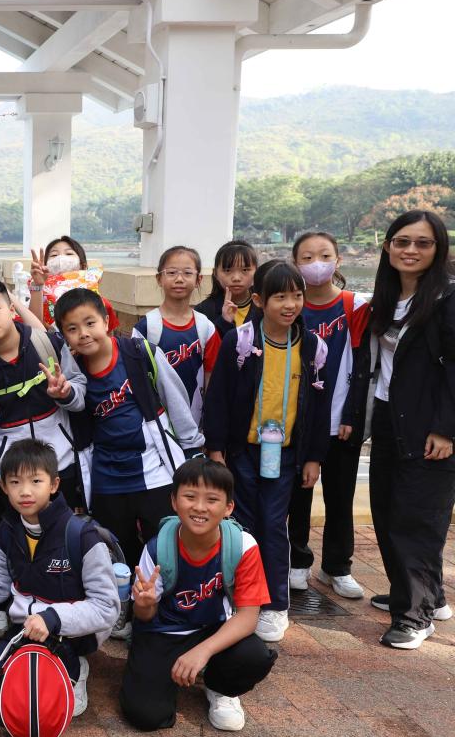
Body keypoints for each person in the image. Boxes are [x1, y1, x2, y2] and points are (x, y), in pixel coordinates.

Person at [204, 261, 329, 644]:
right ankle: (238, 600)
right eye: (280, 297)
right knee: (240, 526)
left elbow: (319, 408)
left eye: (297, 295)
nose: (290, 304)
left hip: (286, 454)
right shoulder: (241, 342)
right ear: (259, 300)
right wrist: (216, 449)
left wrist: (313, 456)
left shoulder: (312, 347)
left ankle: (274, 605)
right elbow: (218, 398)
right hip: (243, 452)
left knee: (274, 526)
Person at [0, 439, 119, 722]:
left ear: (54, 484)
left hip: (74, 633)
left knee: (47, 705)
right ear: (3, 487)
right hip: (26, 628)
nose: (25, 491)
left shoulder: (81, 536)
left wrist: (52, 618)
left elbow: (106, 607)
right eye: (15, 482)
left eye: (36, 481)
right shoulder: (5, 533)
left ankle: (77, 666)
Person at [0, 276, 86, 639]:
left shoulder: (47, 342)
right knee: (9, 532)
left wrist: (65, 393)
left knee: (62, 528)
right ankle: (0, 598)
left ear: (11, 307)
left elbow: (80, 391)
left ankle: (62, 595)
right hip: (7, 467)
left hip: (58, 459)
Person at [119, 459, 276, 733]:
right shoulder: (157, 548)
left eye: (212, 499)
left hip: (214, 629)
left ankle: (219, 687)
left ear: (228, 507)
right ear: (174, 501)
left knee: (255, 656)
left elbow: (249, 617)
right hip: (166, 632)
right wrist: (144, 605)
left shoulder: (242, 545)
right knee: (145, 715)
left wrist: (202, 652)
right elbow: (145, 616)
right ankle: (170, 674)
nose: (200, 507)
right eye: (190, 497)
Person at [54, 288, 204, 570]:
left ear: (106, 321)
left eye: (90, 323)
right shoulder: (74, 373)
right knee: (118, 554)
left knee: (164, 547)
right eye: (72, 329)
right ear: (64, 336)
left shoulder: (138, 353)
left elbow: (175, 400)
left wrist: (192, 449)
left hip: (154, 472)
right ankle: (128, 596)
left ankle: (163, 596)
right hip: (107, 478)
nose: (83, 334)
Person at [366, 209, 455, 649]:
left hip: (430, 426)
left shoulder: (447, 298)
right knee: (386, 510)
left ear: (438, 249)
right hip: (388, 418)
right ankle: (424, 594)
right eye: (402, 241)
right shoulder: (386, 297)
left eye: (423, 243)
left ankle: (414, 616)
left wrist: (446, 429)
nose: (411, 250)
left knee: (416, 520)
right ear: (388, 247)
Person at [287, 231, 371, 599]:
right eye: (306, 257)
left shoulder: (355, 306)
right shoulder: (291, 306)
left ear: (338, 260)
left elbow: (365, 363)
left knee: (340, 495)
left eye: (324, 255)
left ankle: (337, 566)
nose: (316, 264)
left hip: (341, 419)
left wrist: (353, 413)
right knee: (298, 494)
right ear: (295, 264)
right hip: (300, 420)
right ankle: (298, 560)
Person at [132, 246, 219, 427]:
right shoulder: (145, 328)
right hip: (156, 423)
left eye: (187, 273)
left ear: (198, 279)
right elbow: (135, 379)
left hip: (195, 421)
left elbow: (211, 378)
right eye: (171, 273)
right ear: (159, 279)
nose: (179, 279)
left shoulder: (206, 327)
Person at [196, 240, 261, 335]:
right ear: (215, 273)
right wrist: (224, 322)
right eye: (227, 270)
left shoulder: (265, 305)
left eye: (245, 270)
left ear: (257, 272)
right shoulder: (203, 312)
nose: (236, 278)